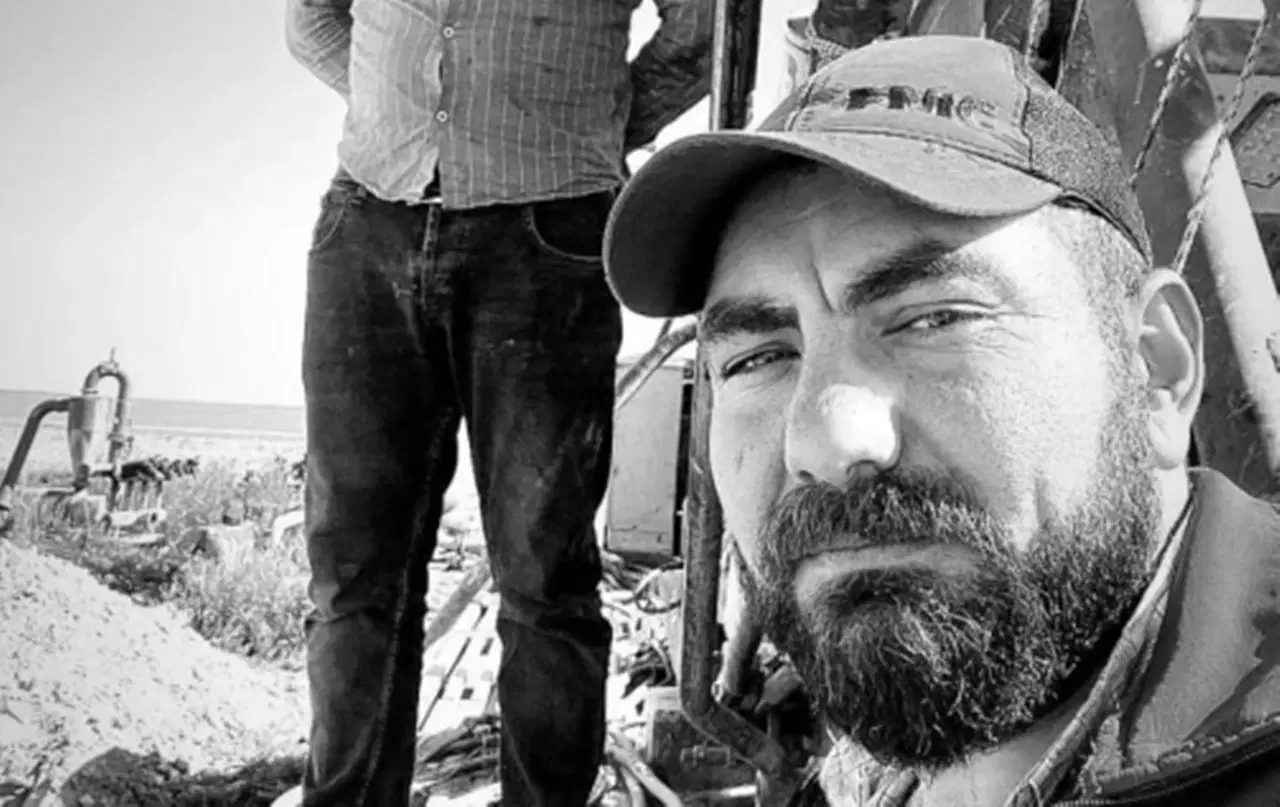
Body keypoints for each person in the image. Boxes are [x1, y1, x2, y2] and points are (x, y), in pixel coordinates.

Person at [602, 35, 1280, 807]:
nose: (825, 442)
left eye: (933, 319)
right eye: (758, 358)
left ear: (1154, 368)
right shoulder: (868, 771)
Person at [279, 2, 713, 805]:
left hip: (548, 231)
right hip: (369, 220)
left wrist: (586, 124)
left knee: (544, 576)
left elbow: (702, 27)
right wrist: (406, 116)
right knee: (352, 577)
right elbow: (313, 19)